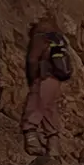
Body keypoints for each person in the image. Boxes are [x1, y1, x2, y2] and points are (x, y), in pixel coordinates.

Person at [21, 14, 73, 156]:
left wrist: (32, 78)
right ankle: (54, 146)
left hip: (43, 76)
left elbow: (32, 59)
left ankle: (31, 141)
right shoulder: (58, 38)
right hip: (56, 80)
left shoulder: (40, 36)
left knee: (34, 106)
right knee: (49, 109)